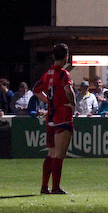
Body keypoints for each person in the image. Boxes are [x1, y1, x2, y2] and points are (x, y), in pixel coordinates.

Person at [33, 43, 76, 195]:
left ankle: (44, 187)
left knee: (51, 153)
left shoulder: (47, 73)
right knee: (59, 154)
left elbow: (36, 90)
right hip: (62, 116)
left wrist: (49, 102)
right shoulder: (63, 74)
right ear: (66, 57)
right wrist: (73, 104)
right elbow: (68, 89)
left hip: (50, 117)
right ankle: (55, 188)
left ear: (53, 56)